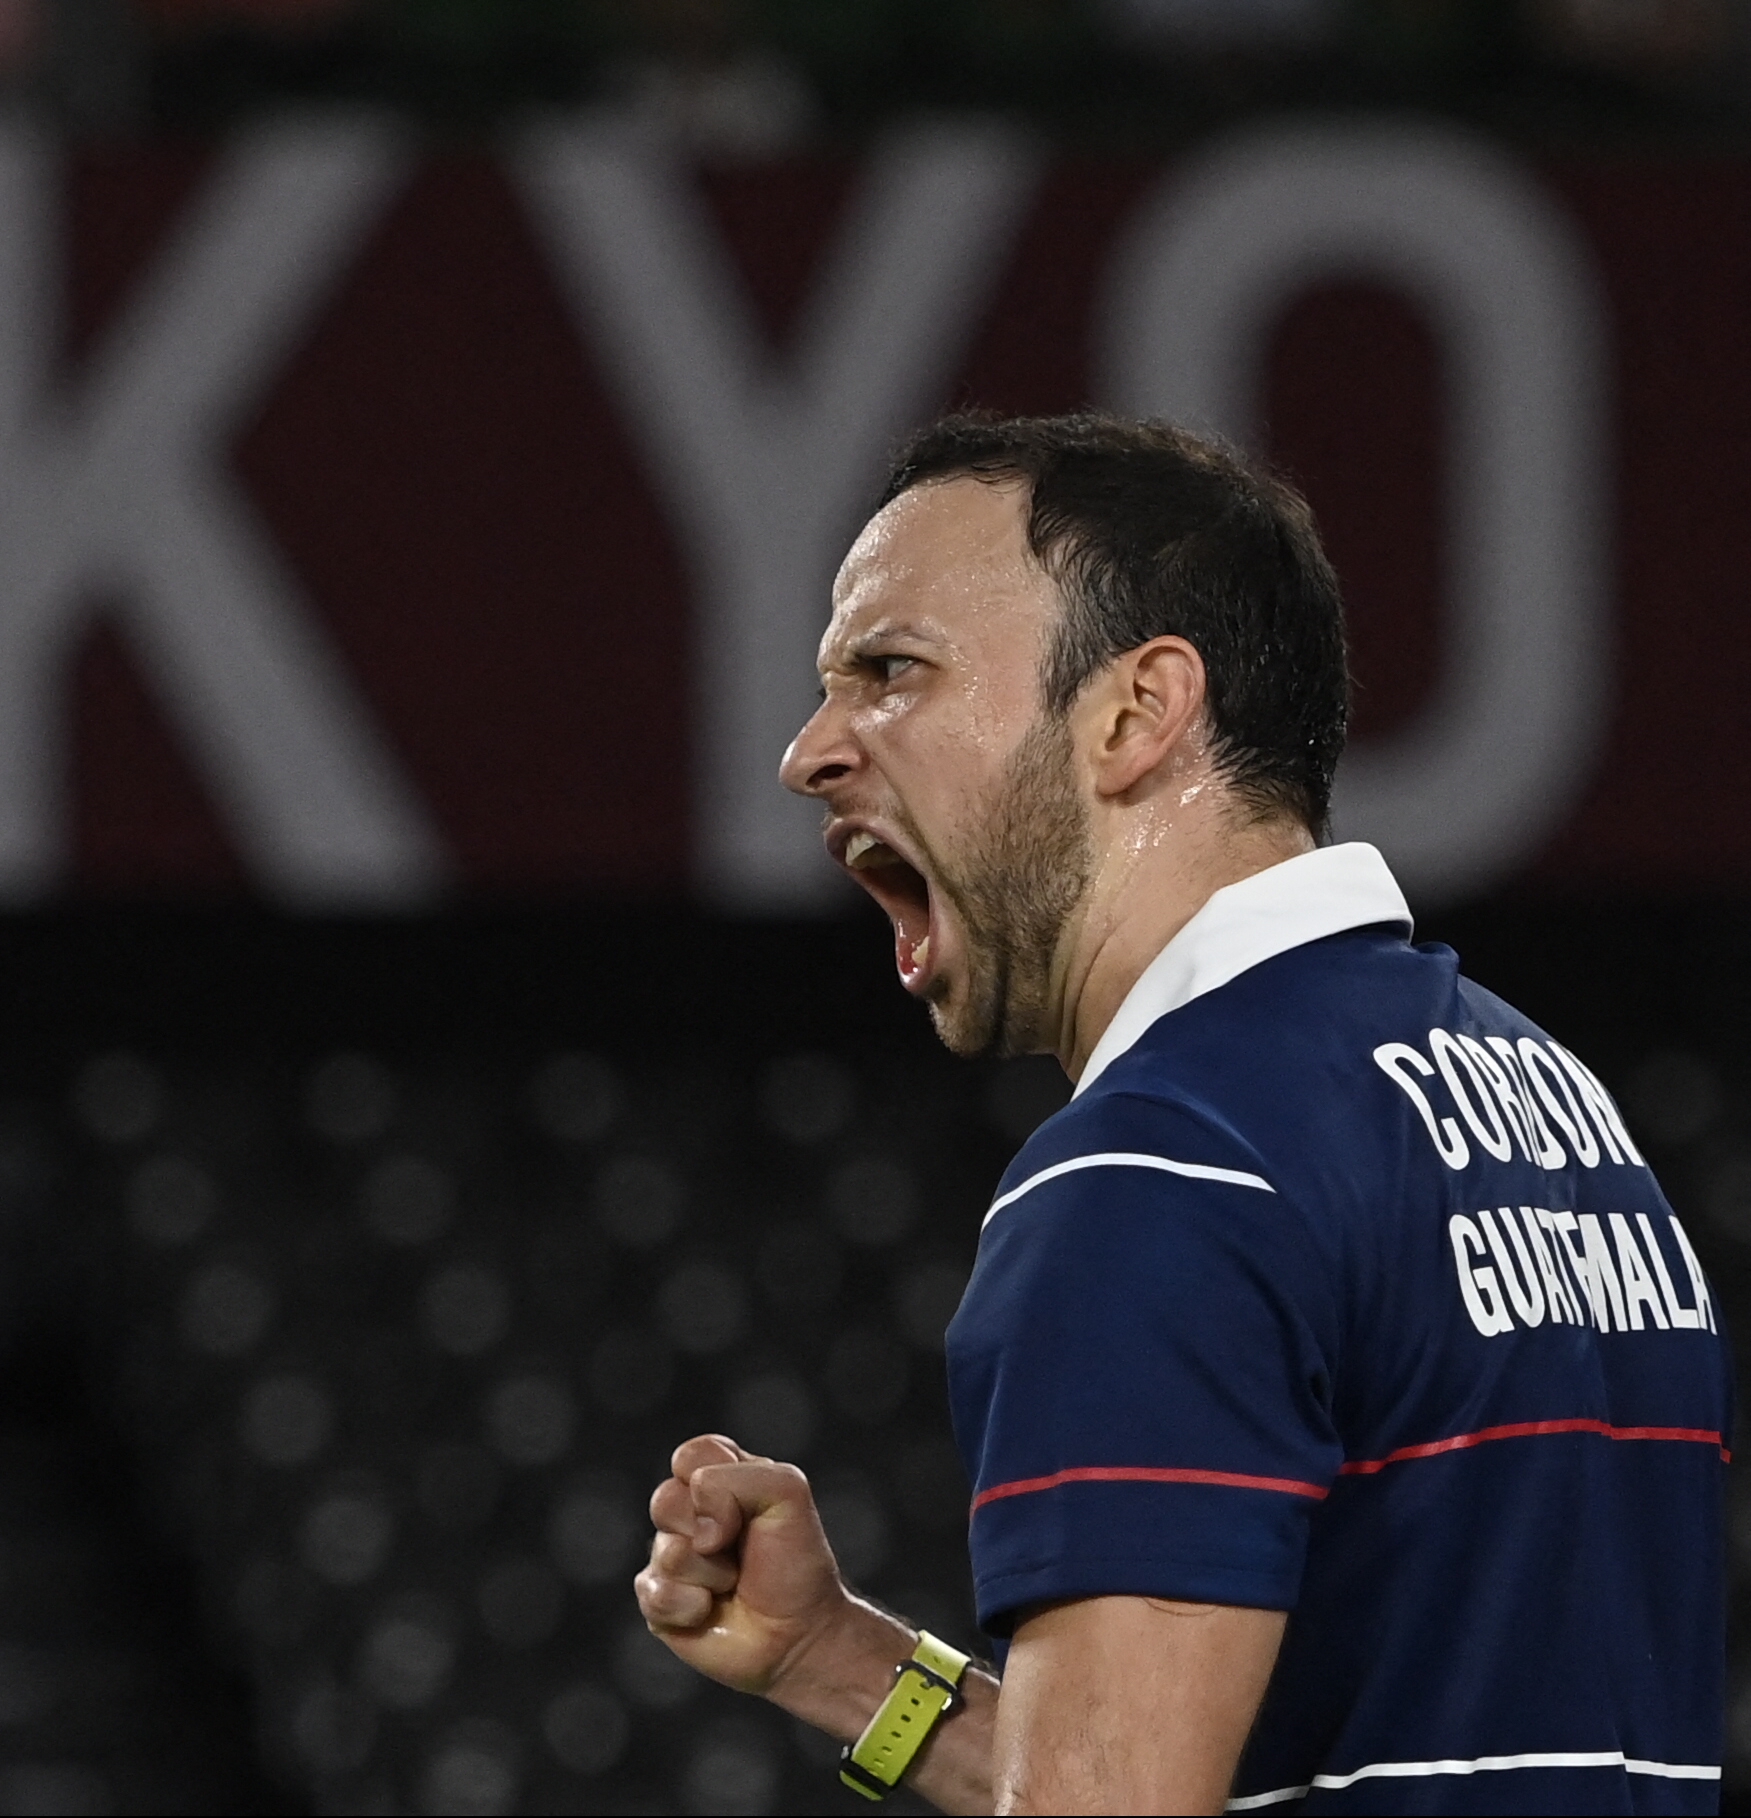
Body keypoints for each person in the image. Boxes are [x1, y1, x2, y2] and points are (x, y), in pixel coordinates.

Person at [633, 413, 1730, 1814]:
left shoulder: (1163, 1170)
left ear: (1136, 711)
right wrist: (834, 1661)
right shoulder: (1552, 1108)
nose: (807, 751)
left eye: (889, 670)